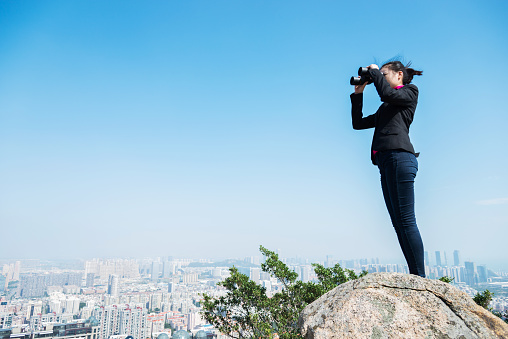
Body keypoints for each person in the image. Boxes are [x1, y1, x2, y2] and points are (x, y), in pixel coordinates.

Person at [350, 61, 425, 277]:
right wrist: (358, 93)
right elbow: (358, 123)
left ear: (399, 75)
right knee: (398, 223)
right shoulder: (387, 106)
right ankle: (415, 275)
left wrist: (373, 71)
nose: (378, 78)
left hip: (400, 158)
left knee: (407, 221)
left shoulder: (410, 92)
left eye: (383, 74)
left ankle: (420, 277)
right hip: (386, 162)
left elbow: (387, 94)